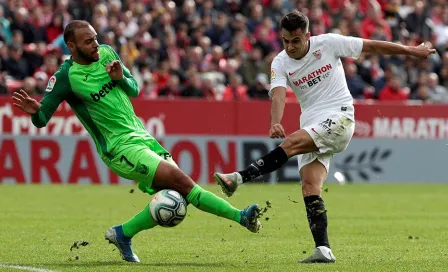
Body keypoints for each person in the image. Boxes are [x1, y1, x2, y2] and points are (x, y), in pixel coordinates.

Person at [12, 20, 262, 263]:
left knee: (178, 194)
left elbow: (134, 89)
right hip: (118, 147)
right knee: (182, 182)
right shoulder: (66, 76)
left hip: (142, 136)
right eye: (89, 42)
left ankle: (123, 233)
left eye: (96, 38)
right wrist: (35, 111)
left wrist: (120, 78)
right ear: (72, 46)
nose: (96, 45)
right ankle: (241, 217)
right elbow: (42, 119)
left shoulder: (108, 53)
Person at [213, 10, 435, 263]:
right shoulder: (280, 61)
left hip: (339, 117)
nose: (291, 46)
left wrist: (411, 51)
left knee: (291, 143)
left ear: (307, 36)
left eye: (296, 40)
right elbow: (277, 93)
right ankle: (324, 249)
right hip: (311, 123)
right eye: (285, 40)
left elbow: (371, 46)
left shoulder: (328, 43)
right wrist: (275, 121)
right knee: (310, 186)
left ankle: (238, 178)